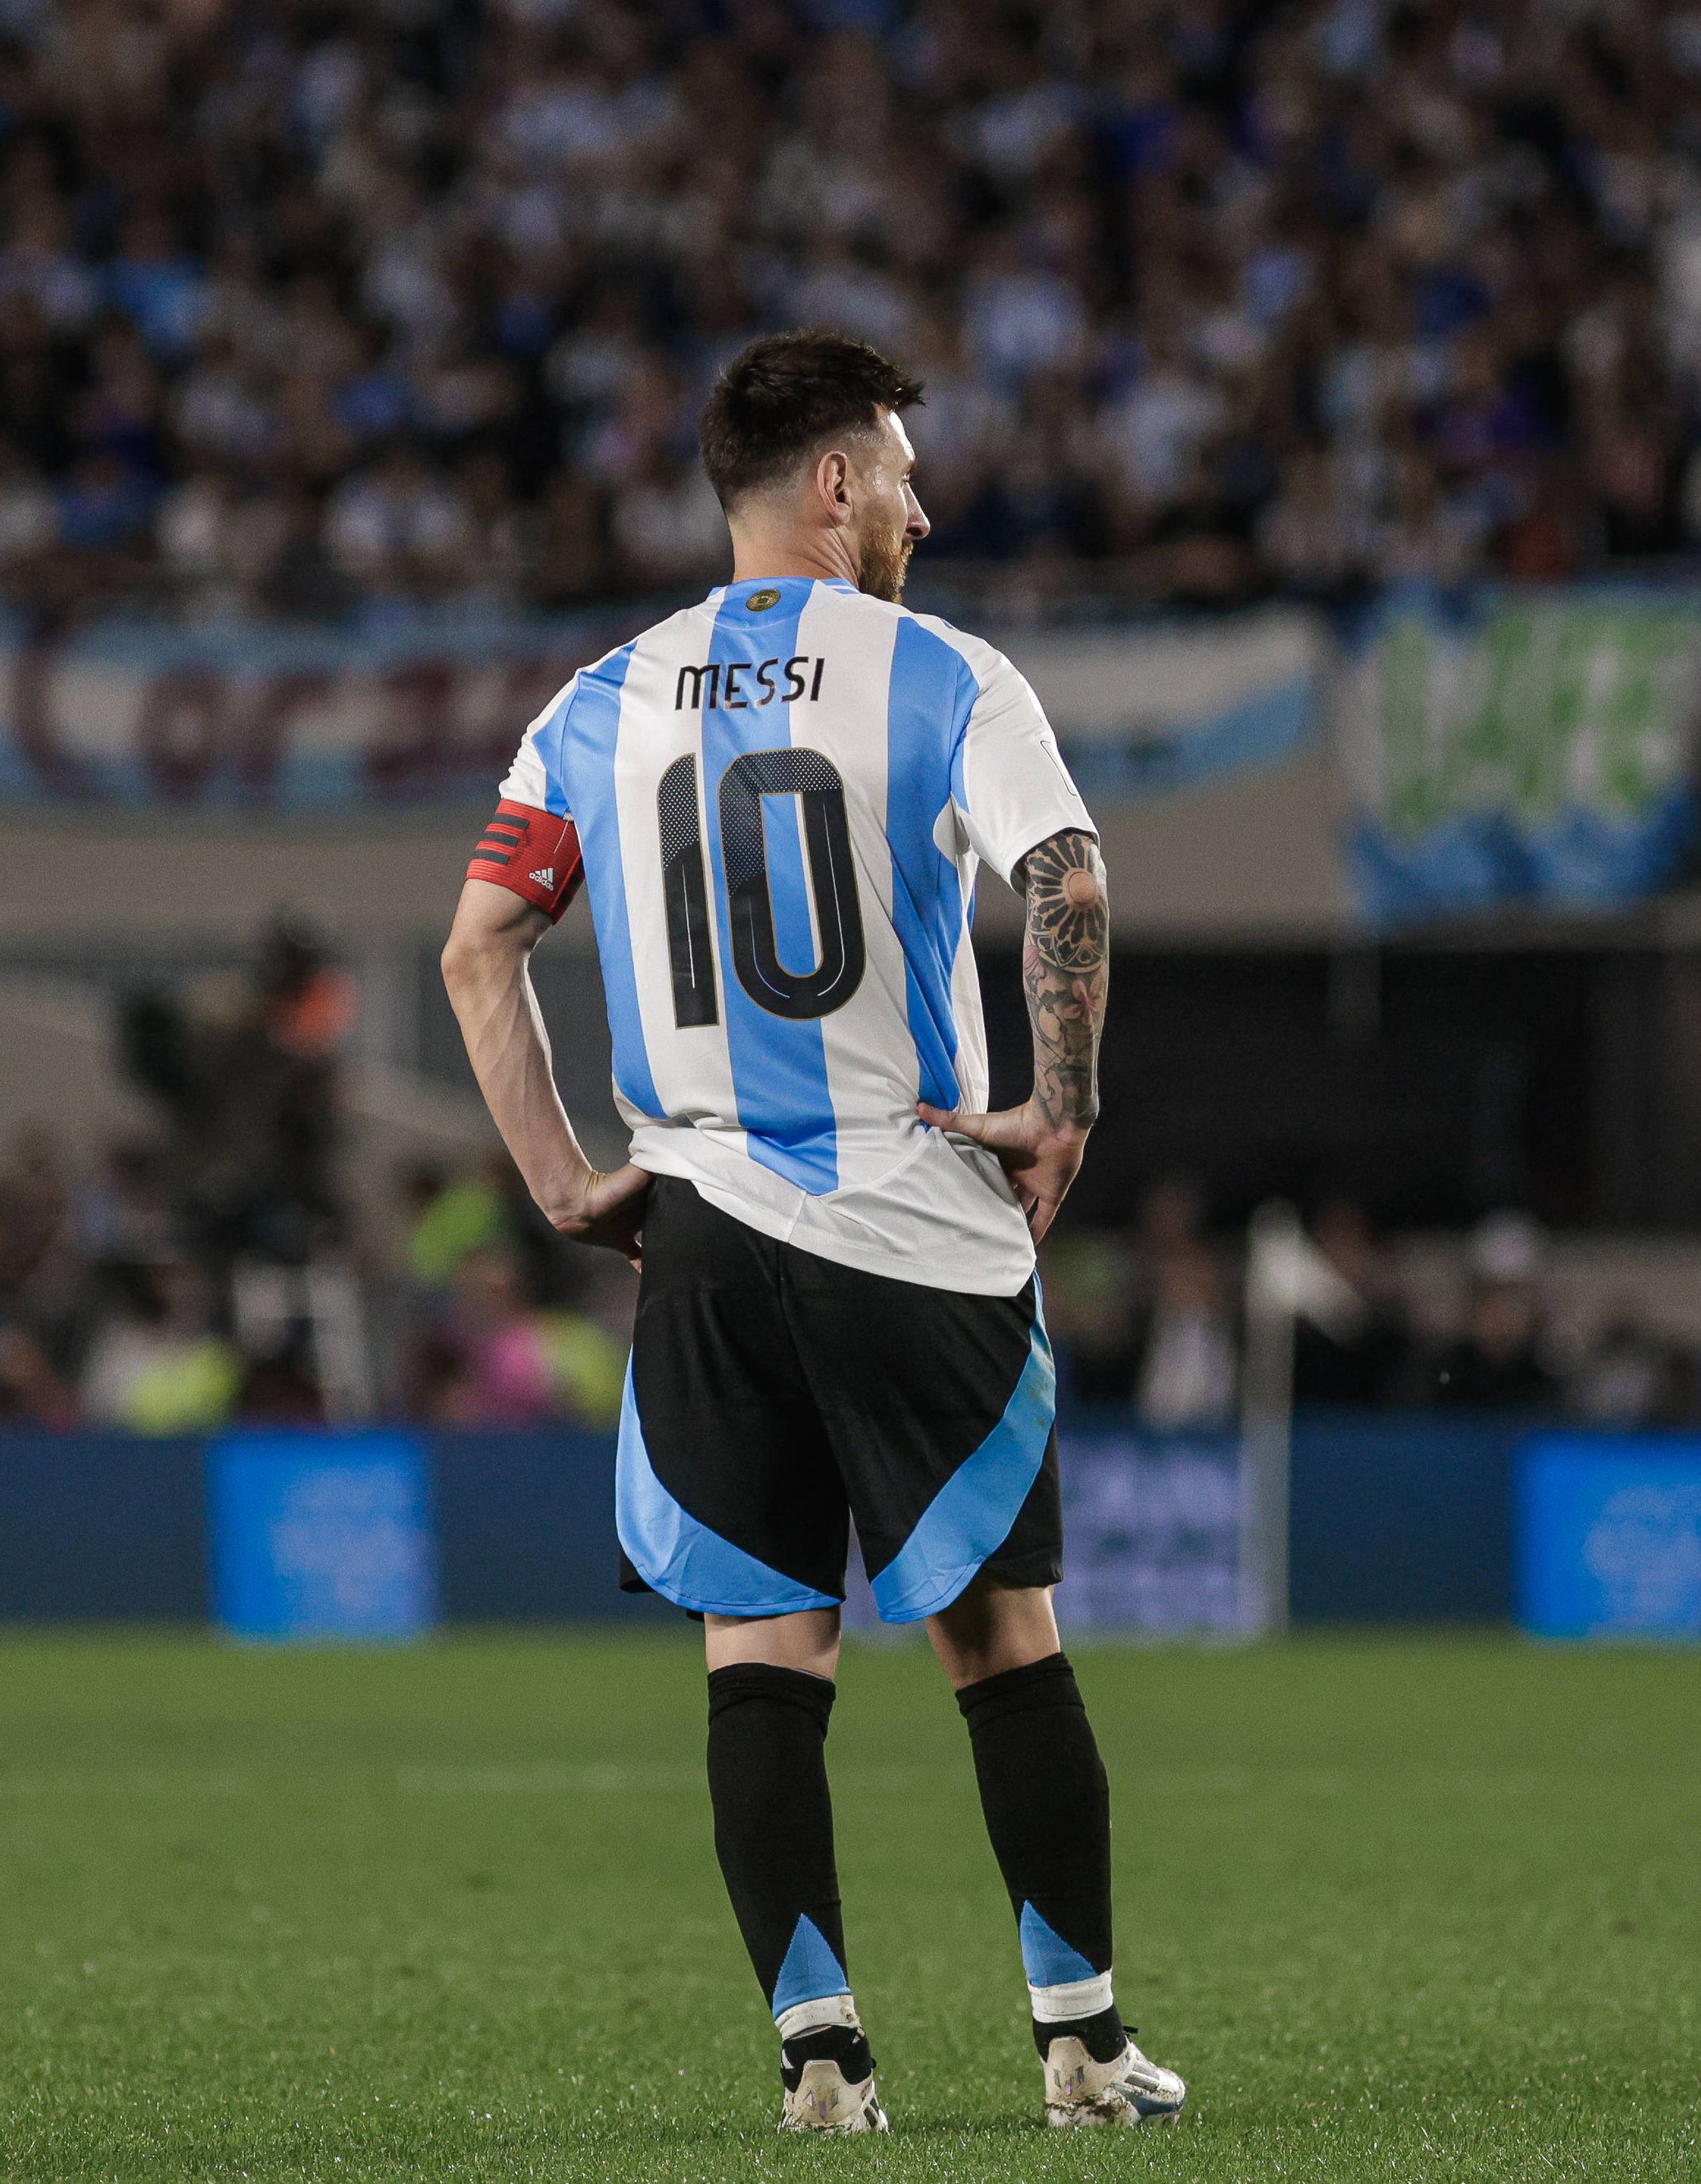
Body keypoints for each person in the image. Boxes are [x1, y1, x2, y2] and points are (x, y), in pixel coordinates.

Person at [437, 331, 1182, 2137]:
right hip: (910, 1216)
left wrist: (562, 1183)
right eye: (904, 473)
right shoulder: (945, 673)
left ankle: (821, 2061)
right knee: (1000, 1636)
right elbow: (1064, 874)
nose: (923, 507)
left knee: (761, 1653)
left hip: (700, 1232)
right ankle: (1081, 2049)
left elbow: (477, 947)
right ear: (835, 482)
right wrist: (1064, 1101)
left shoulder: (599, 699)